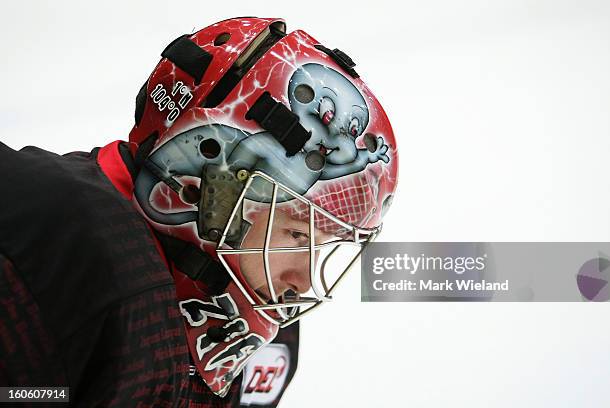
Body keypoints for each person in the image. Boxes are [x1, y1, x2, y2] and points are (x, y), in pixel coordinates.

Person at [0, 17, 398, 407]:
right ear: (214, 188)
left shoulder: (256, 330)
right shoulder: (65, 253)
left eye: (322, 244)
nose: (303, 280)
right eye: (298, 236)